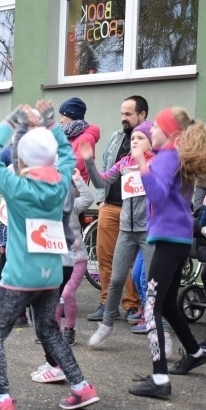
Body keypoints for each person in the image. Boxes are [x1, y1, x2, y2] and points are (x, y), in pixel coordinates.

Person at [0, 101, 99, 410]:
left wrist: (12, 118)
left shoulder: (16, 186)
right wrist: (52, 125)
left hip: (19, 276)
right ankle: (81, 387)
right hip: (51, 274)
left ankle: (1, 399)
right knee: (48, 330)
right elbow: (68, 157)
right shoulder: (59, 184)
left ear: (22, 159)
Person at [128, 106, 206, 399]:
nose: (150, 131)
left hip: (169, 239)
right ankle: (194, 352)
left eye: (155, 127)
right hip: (177, 239)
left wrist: (142, 164)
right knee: (166, 304)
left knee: (151, 307)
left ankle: (159, 378)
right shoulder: (174, 157)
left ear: (168, 132)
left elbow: (156, 194)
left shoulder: (168, 156)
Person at [84, 121, 157, 348]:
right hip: (126, 230)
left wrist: (142, 161)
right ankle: (106, 326)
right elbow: (101, 181)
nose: (134, 141)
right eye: (133, 138)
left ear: (151, 142)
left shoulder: (156, 162)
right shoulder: (124, 162)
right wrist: (89, 161)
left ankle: (157, 330)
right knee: (116, 279)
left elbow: (156, 189)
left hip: (148, 231)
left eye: (140, 138)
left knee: (153, 282)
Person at [30, 168, 94, 384]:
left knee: (64, 296)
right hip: (56, 260)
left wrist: (76, 176)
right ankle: (52, 362)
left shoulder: (72, 206)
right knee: (49, 311)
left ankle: (69, 331)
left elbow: (88, 197)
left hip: (75, 260)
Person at [87, 96, 147, 322]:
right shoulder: (115, 137)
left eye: (129, 114)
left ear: (142, 115)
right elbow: (105, 167)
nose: (123, 118)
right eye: (122, 113)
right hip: (110, 206)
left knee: (132, 262)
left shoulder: (148, 140)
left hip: (136, 211)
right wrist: (101, 200)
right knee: (105, 255)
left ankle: (132, 304)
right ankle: (106, 303)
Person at [57, 97, 100, 182]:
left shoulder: (87, 138)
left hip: (76, 188)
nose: (61, 121)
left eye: (63, 116)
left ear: (72, 115)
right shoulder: (68, 135)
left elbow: (75, 164)